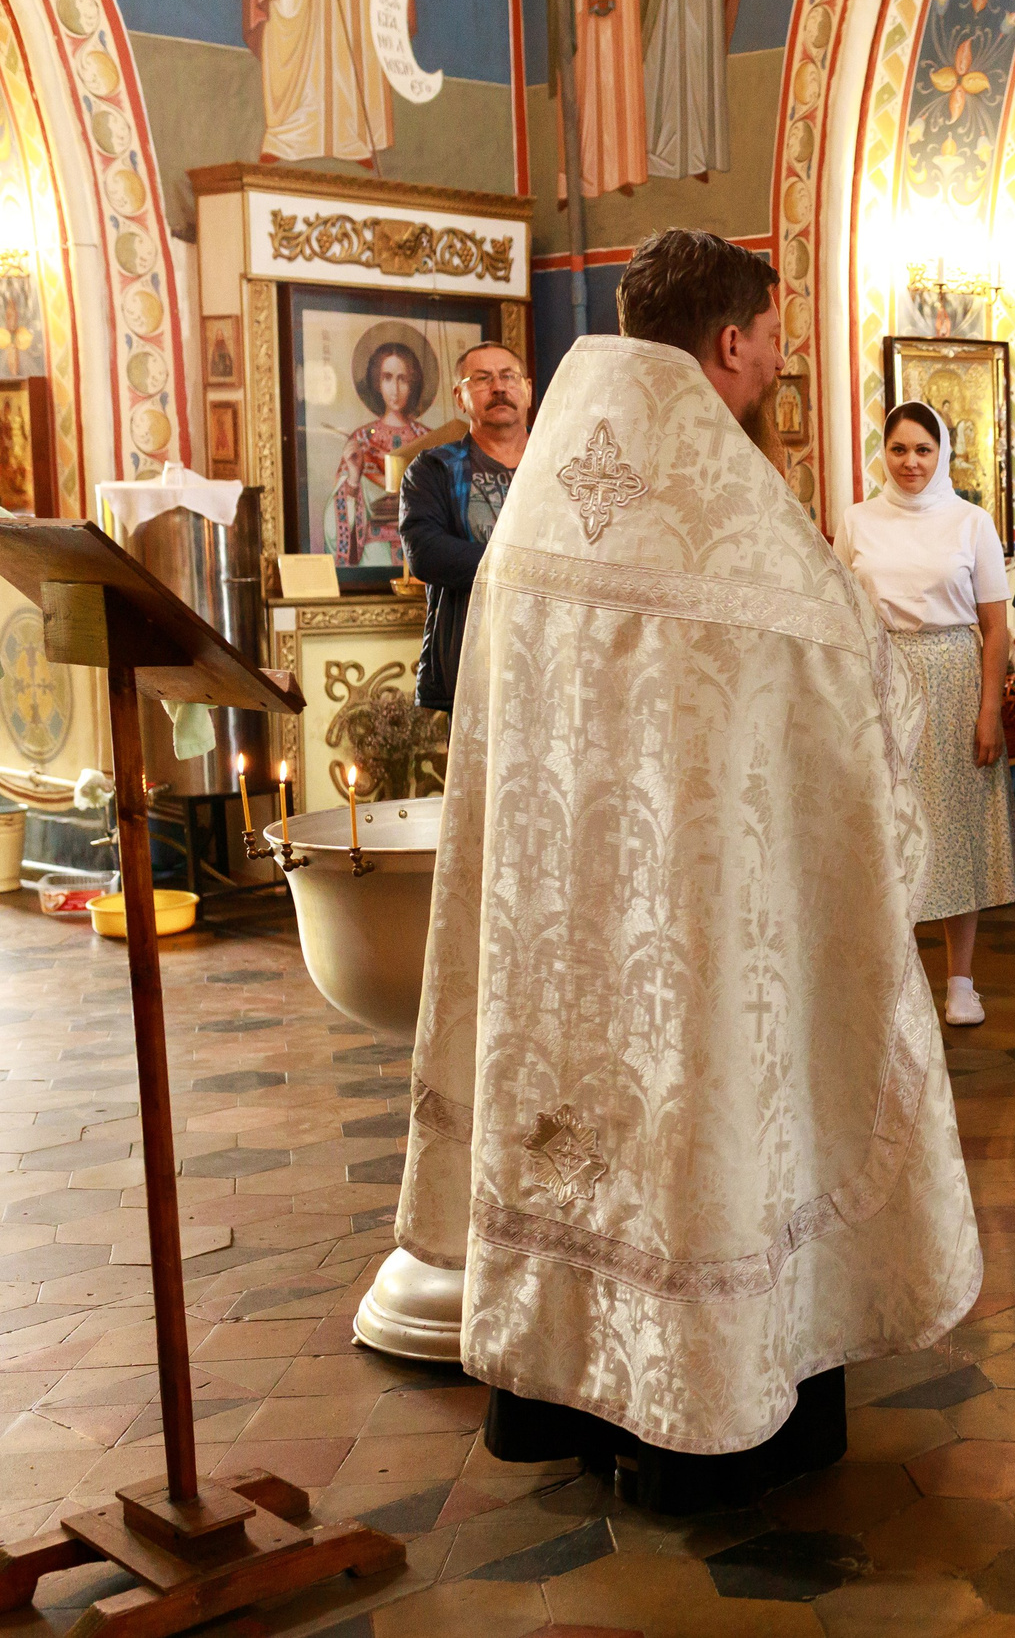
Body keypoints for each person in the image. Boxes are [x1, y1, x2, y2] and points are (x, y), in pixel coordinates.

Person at [399, 228, 977, 1513]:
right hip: (698, 919)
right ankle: (701, 1416)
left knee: (578, 1131)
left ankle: (561, 1398)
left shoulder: (543, 496)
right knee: (701, 1123)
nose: (775, 361)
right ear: (728, 341)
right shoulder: (735, 521)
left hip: (557, 918)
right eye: (770, 338)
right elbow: (857, 692)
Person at [843, 401, 1015, 1025]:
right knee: (884, 828)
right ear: (884, 453)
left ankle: (961, 982)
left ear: (942, 453)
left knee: (951, 830)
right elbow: (843, 616)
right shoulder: (857, 520)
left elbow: (996, 629)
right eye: (899, 449)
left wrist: (989, 712)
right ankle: (894, 981)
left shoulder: (971, 521)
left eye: (923, 449)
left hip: (953, 679)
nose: (911, 462)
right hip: (879, 680)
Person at [400, 342, 532, 716]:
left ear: (527, 389)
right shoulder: (434, 469)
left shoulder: (563, 465)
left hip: (555, 659)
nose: (499, 387)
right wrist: (524, 565)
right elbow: (426, 553)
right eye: (483, 379)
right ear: (460, 397)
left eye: (508, 377)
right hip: (470, 663)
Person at [334, 339, 433, 565]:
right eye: (387, 378)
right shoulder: (360, 440)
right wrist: (354, 478)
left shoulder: (428, 440)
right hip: (374, 554)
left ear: (412, 384)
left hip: (422, 553)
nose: (395, 389)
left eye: (402, 379)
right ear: (377, 383)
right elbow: (337, 515)